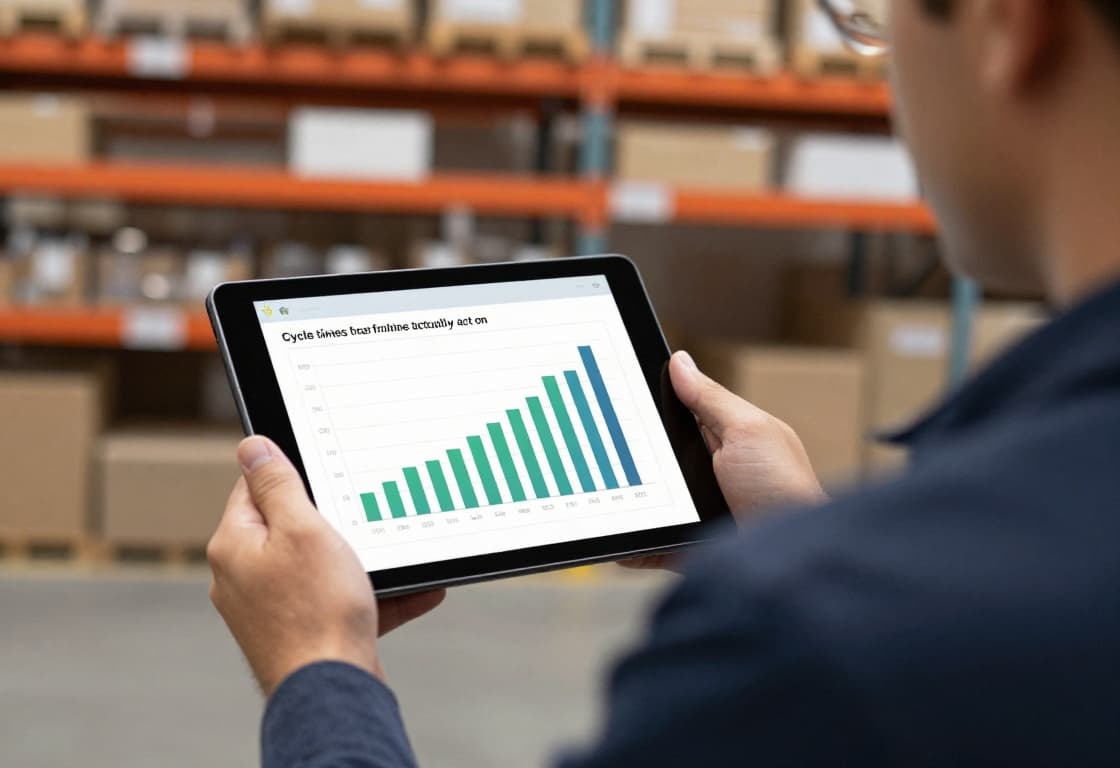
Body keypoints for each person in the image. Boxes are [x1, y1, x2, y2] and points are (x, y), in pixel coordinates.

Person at [207, 0, 1120, 764]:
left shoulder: (808, 644)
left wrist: (319, 665)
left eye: (873, 15)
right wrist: (804, 538)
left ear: (1012, 22)